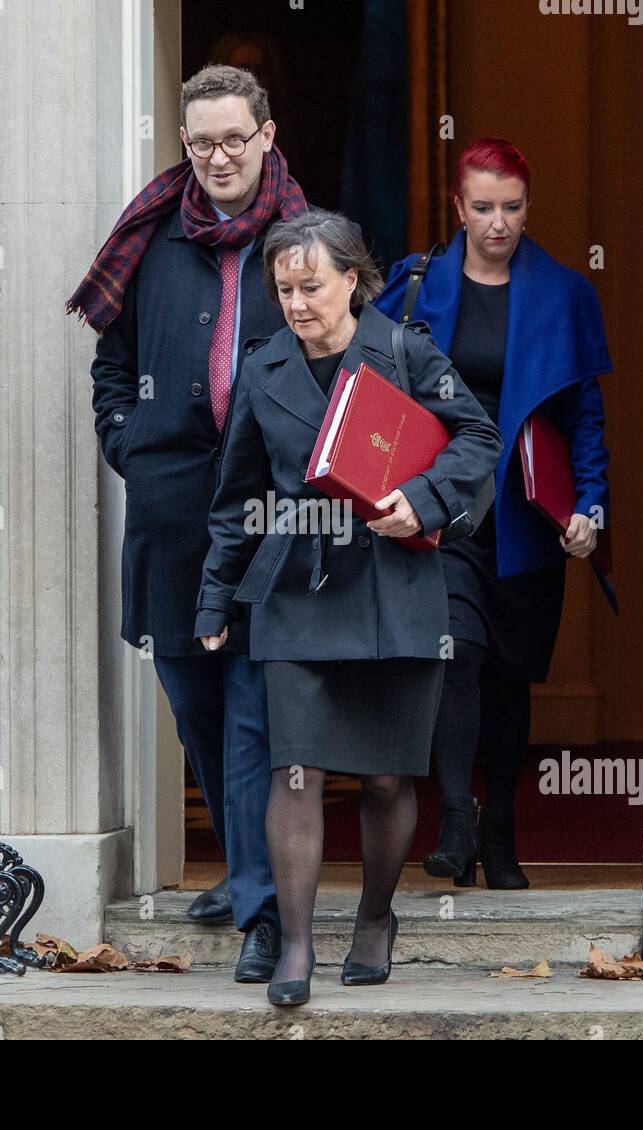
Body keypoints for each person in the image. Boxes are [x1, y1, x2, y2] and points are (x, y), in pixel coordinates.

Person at [195, 209, 502, 1005]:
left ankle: (374, 918)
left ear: (354, 281)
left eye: (312, 286)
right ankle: (297, 947)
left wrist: (425, 500)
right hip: (300, 589)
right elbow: (237, 501)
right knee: (293, 768)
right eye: (284, 288)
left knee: (387, 781)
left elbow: (478, 437)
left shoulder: (406, 350)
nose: (297, 303)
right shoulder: (264, 371)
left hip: (398, 586)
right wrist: (215, 600)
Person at [68, 65, 307, 982]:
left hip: (269, 516)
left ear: (267, 136)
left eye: (233, 140)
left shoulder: (302, 240)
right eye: (200, 141)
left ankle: (260, 911)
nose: (216, 157)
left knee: (251, 708)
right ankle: (250, 869)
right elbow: (111, 367)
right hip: (171, 514)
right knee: (195, 705)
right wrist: (129, 444)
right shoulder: (151, 240)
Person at [374, 137, 613, 890]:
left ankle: (501, 837)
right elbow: (365, 386)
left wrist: (592, 508)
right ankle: (456, 818)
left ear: (527, 206)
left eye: (511, 207)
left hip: (527, 511)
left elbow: (584, 416)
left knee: (510, 678)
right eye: (483, 207)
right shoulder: (415, 286)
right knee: (457, 653)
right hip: (443, 508)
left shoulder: (566, 292)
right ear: (458, 206)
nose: (498, 222)